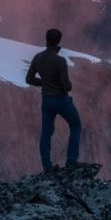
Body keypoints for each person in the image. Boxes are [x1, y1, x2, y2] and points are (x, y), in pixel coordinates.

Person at [25, 28, 82, 171]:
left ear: (46, 39)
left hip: (46, 101)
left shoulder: (37, 57)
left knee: (46, 132)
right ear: (58, 41)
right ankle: (71, 161)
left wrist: (43, 83)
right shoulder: (60, 61)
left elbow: (29, 79)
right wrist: (68, 85)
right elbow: (66, 86)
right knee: (76, 125)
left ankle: (47, 166)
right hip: (61, 100)